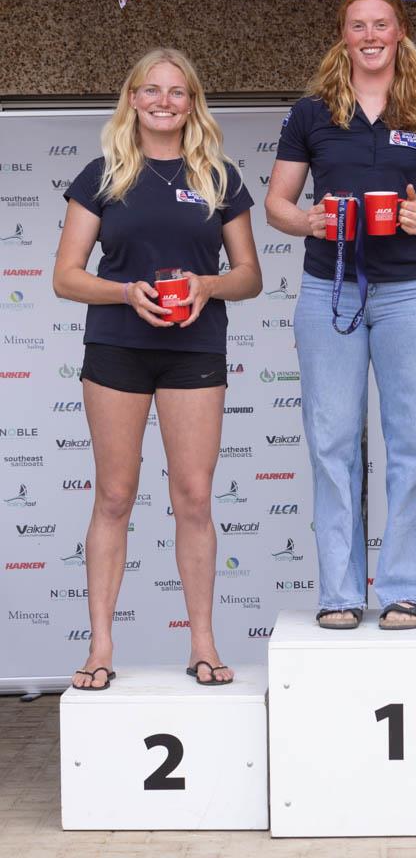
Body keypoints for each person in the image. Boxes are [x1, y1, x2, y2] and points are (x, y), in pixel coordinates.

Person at [53, 48, 262, 689]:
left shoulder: (220, 177)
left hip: (195, 350)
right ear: (133, 100)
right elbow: (66, 277)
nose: (164, 101)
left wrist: (208, 285)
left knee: (194, 497)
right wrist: (125, 292)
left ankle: (203, 645)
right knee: (114, 495)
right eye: (152, 91)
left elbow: (250, 276)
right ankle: (100, 648)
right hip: (116, 346)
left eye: (178, 92)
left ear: (193, 102)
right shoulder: (103, 174)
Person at [265, 0, 416, 630]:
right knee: (331, 443)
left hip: (409, 292)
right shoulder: (311, 113)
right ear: (344, 35)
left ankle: (406, 589)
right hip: (330, 289)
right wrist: (310, 222)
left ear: (400, 30)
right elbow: (276, 202)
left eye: (382, 24)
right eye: (359, 25)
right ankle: (340, 594)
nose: (372, 35)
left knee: (411, 439)